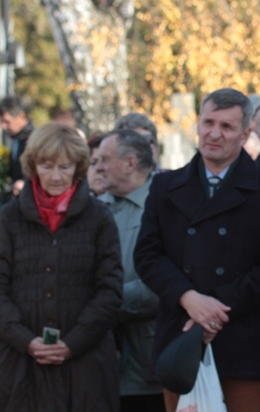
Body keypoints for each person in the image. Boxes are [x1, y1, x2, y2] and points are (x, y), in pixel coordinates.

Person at [134, 88, 260, 412]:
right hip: (180, 336)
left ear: (245, 134)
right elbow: (147, 255)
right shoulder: (165, 186)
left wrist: (217, 309)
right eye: (208, 122)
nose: (214, 134)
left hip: (244, 342)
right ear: (197, 124)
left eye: (226, 126)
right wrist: (189, 299)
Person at [0, 122, 123, 411]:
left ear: (78, 167)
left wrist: (73, 342)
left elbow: (110, 290)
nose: (56, 177)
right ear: (33, 166)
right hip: (18, 367)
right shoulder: (9, 218)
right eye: (47, 166)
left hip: (85, 367)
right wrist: (27, 340)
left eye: (65, 167)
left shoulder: (99, 218)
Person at [96, 130, 163, 411]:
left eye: (105, 159)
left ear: (130, 162)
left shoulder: (162, 204)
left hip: (148, 363)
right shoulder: (97, 208)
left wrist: (104, 303)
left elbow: (162, 283)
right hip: (102, 359)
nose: (98, 167)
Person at [0, 96, 35, 196]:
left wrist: (25, 183)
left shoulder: (34, 141)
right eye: (2, 122)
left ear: (21, 116)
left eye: (7, 122)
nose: (3, 126)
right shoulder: (17, 139)